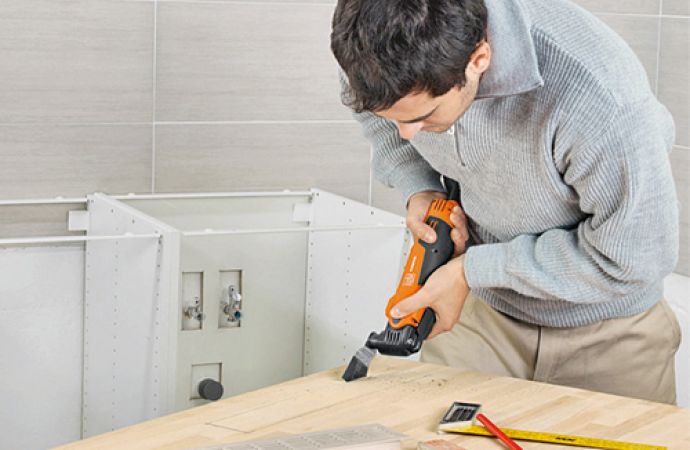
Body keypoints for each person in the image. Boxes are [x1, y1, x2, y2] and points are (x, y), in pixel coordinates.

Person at [331, 0, 681, 404]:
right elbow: (377, 113)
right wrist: (418, 185)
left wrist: (473, 270)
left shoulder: (599, 97)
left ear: (478, 59)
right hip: (484, 308)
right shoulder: (372, 47)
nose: (408, 134)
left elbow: (634, 258)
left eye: (423, 116)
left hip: (609, 327)